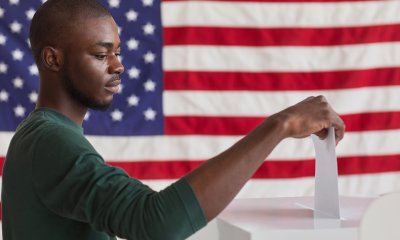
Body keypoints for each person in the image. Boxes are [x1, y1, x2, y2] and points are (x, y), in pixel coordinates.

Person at [1, 0, 345, 239]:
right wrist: (280, 125)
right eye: (101, 54)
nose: (118, 65)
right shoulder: (50, 140)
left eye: (118, 53)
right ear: (52, 59)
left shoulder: (41, 135)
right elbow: (155, 223)